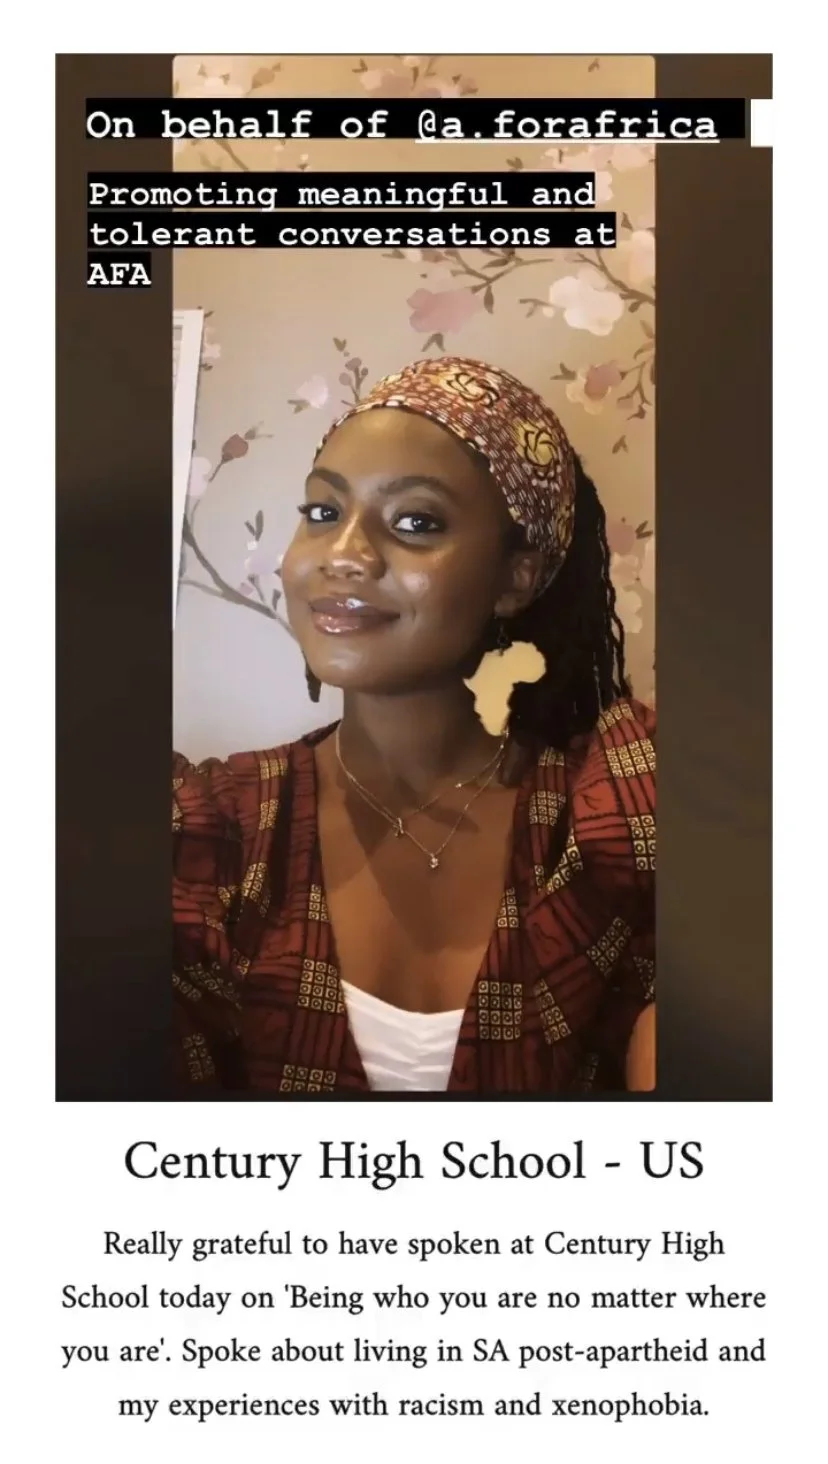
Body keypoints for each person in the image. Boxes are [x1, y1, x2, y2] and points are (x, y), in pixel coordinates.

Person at [173, 355, 655, 1096]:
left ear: (515, 578)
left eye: (415, 522)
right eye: (324, 513)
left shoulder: (615, 812)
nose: (343, 556)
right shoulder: (214, 825)